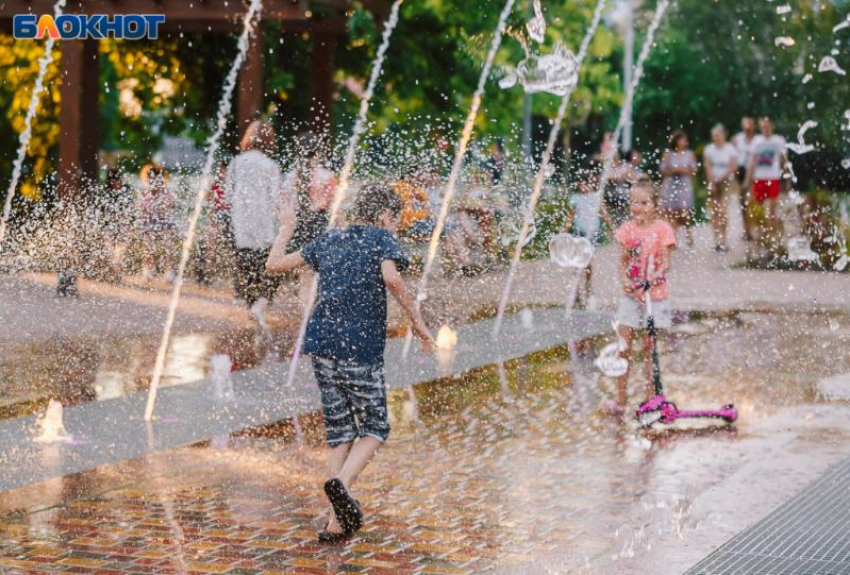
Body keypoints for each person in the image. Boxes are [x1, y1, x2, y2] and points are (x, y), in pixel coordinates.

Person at [265, 183, 436, 542]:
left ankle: (334, 523)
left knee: (340, 430)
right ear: (386, 216)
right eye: (396, 221)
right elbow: (391, 277)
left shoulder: (331, 237)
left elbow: (274, 265)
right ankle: (340, 485)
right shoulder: (381, 238)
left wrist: (285, 228)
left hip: (322, 344)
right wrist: (418, 324)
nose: (396, 228)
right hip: (359, 347)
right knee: (375, 428)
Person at [609, 181, 676, 414]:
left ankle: (650, 397)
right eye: (634, 202)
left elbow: (666, 261)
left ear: (655, 205)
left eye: (644, 202)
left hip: (654, 297)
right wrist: (626, 281)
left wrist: (656, 276)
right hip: (630, 296)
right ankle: (620, 399)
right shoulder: (627, 229)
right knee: (623, 346)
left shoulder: (662, 229)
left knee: (650, 348)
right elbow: (622, 263)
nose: (638, 207)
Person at [225, 119, 293, 330]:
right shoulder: (270, 165)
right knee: (271, 267)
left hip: (241, 222)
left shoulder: (236, 162)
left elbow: (228, 194)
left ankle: (251, 306)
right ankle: (261, 304)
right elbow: (276, 197)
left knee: (246, 266)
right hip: (265, 225)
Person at [283, 131, 337, 305]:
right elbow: (330, 204)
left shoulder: (290, 177)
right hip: (320, 225)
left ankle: (304, 312)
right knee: (318, 272)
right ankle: (316, 309)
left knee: (303, 273)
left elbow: (283, 203)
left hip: (298, 226)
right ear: (318, 152)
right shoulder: (328, 176)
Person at [562, 159, 614, 307]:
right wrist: (564, 232)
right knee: (577, 262)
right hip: (579, 233)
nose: (584, 186)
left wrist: (612, 228)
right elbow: (570, 217)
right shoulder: (575, 199)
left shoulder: (596, 197)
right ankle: (577, 290)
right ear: (578, 184)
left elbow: (604, 214)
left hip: (592, 234)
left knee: (589, 262)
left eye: (587, 183)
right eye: (582, 183)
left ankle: (588, 287)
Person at [136, 163, 178, 282]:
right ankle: (148, 270)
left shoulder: (166, 192)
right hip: (149, 223)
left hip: (164, 223)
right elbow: (140, 210)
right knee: (148, 245)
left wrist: (161, 210)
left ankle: (169, 271)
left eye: (156, 178)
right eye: (151, 178)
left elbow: (172, 207)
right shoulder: (144, 192)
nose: (154, 181)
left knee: (168, 245)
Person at [745, 117, 786, 224]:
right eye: (763, 127)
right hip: (759, 177)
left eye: (767, 127)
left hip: (773, 177)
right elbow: (752, 161)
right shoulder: (756, 140)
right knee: (759, 209)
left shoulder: (779, 140)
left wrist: (786, 178)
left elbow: (784, 160)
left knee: (773, 208)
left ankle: (772, 231)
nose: (765, 129)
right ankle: (761, 232)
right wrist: (747, 180)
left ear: (772, 126)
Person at [703, 124, 738, 252]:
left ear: (723, 135)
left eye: (717, 135)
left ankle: (724, 239)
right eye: (713, 135)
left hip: (726, 182)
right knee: (715, 213)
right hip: (713, 181)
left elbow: (733, 167)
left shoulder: (730, 149)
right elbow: (707, 166)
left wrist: (721, 178)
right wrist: (712, 182)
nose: (715, 138)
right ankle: (716, 240)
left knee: (723, 211)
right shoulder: (709, 149)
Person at [660, 131, 698, 247]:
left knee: (684, 211)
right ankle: (672, 238)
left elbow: (694, 170)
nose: (684, 142)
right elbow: (663, 170)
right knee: (671, 212)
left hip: (684, 184)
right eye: (682, 140)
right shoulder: (668, 154)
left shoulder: (689, 154)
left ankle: (688, 234)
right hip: (671, 184)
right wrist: (674, 170)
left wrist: (682, 170)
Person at [732, 117, 757, 241]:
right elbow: (733, 154)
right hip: (740, 172)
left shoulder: (757, 140)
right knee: (742, 204)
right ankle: (746, 230)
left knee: (752, 202)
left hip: (755, 174)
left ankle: (753, 229)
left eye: (750, 124)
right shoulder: (738, 139)